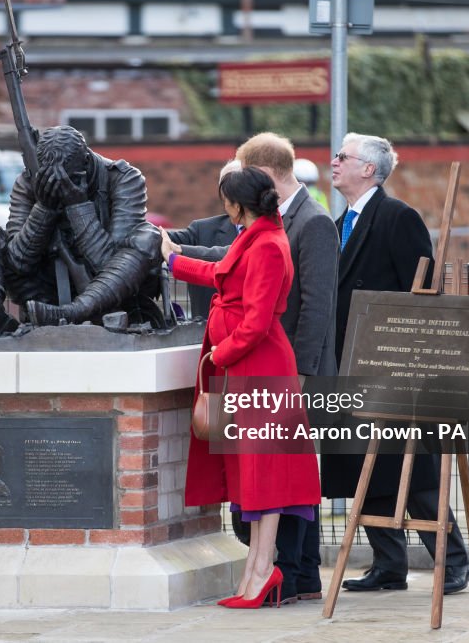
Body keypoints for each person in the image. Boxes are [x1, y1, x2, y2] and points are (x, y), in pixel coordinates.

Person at [165, 135, 339, 604]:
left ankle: (265, 572)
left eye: (228, 205)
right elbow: (221, 271)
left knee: (265, 474)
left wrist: (218, 355)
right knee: (256, 474)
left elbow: (259, 321)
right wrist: (173, 260)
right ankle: (260, 571)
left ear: (239, 205)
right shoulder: (259, 236)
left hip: (258, 368)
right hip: (249, 369)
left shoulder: (266, 243)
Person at [329, 132, 469, 595]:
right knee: (365, 469)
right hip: (349, 366)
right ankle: (389, 566)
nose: (333, 162)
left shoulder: (396, 217)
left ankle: (453, 562)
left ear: (368, 169)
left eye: (342, 157)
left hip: (392, 366)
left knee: (417, 472)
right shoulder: (339, 224)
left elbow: (424, 291)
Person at [0, 125, 161, 332]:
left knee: (148, 237)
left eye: (68, 179)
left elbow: (109, 264)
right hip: (43, 293)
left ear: (87, 162)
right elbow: (18, 263)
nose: (60, 188)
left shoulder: (123, 178)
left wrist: (78, 206)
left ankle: (72, 312)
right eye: (53, 181)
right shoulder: (29, 181)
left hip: (108, 295)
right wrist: (44, 209)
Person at [165, 159, 242, 319]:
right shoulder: (201, 229)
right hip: (205, 331)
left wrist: (178, 251)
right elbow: (162, 239)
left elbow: (229, 257)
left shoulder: (267, 232)